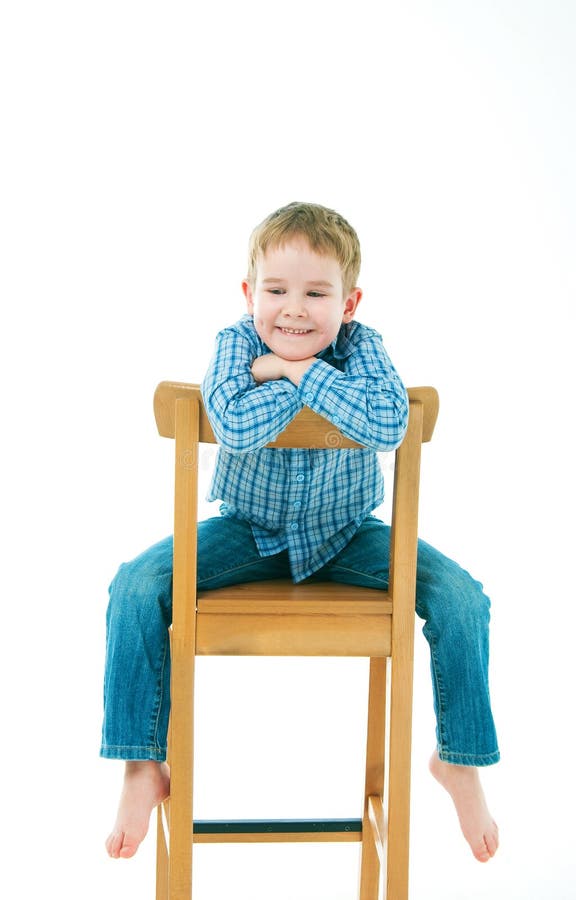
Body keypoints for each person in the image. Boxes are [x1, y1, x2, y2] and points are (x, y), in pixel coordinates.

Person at [103, 201, 499, 864]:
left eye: (316, 293)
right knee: (135, 585)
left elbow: (384, 423)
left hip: (347, 535)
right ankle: (141, 764)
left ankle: (459, 758)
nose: (293, 309)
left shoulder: (364, 347)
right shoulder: (234, 341)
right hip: (247, 532)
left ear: (348, 303)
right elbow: (230, 419)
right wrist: (294, 376)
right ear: (248, 293)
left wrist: (292, 370)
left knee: (463, 597)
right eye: (277, 291)